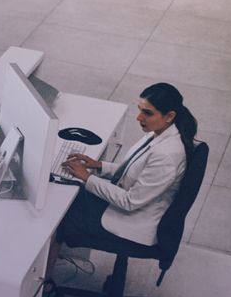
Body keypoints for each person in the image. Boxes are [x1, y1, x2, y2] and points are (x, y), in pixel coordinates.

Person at [50, 83, 196, 270]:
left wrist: (87, 177)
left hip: (134, 222)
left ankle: (41, 284)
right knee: (72, 194)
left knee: (59, 220)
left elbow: (130, 201)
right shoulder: (162, 133)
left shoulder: (167, 155)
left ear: (169, 116)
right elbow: (137, 170)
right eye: (140, 110)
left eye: (148, 113)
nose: (139, 117)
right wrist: (99, 166)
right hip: (135, 203)